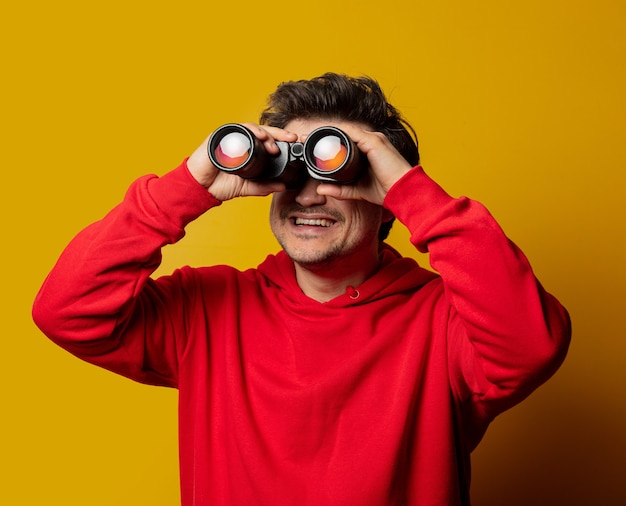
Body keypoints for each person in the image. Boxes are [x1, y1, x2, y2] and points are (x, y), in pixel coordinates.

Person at [32, 72, 571, 505]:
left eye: (337, 171)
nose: (309, 196)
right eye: (294, 172)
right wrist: (189, 185)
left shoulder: (445, 320)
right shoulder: (205, 309)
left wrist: (412, 192)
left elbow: (531, 346)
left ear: (383, 194)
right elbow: (66, 311)